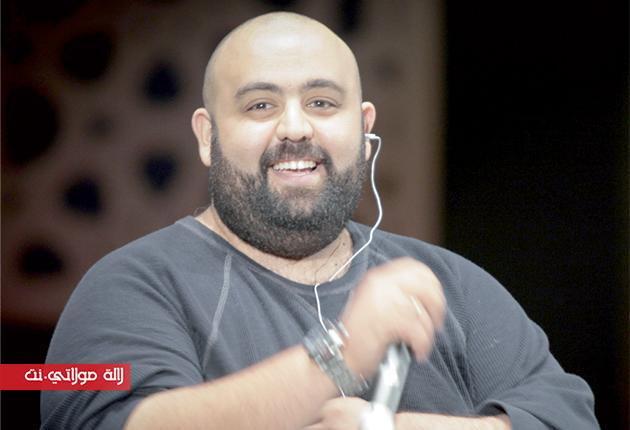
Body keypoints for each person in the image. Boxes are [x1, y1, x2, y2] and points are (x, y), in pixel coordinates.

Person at [41, 12, 599, 430]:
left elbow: (568, 416)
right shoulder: (126, 286)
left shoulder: (452, 285)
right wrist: (343, 355)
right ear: (208, 137)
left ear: (363, 126)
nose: (295, 128)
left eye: (322, 103)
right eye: (260, 105)